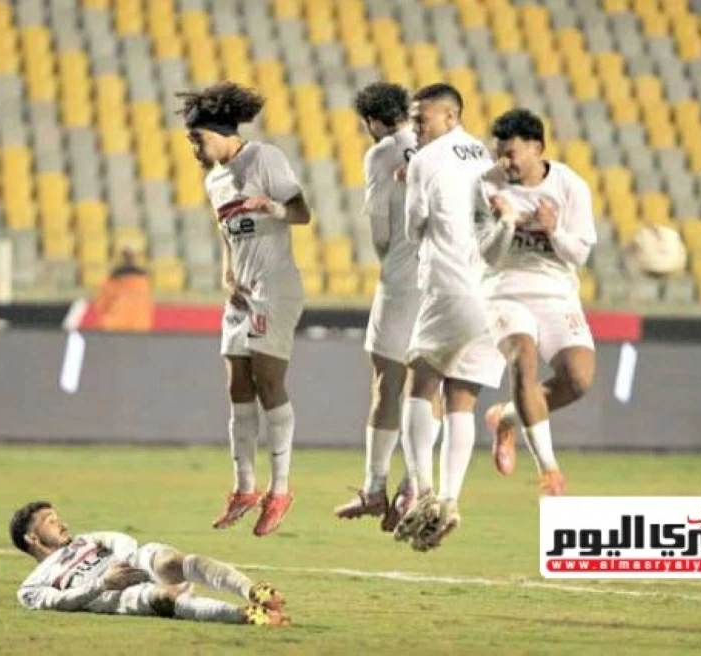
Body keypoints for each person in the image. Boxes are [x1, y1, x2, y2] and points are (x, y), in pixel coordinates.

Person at [180, 82, 311, 537]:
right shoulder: (213, 180)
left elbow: (302, 212)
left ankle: (280, 490)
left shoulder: (263, 159)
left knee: (268, 382)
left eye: (198, 138)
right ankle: (244, 488)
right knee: (237, 384)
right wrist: (227, 276)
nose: (194, 148)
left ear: (220, 132)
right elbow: (227, 235)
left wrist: (271, 205)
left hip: (276, 287)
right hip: (242, 292)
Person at [392, 84, 505, 553]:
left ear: (451, 116)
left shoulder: (426, 159)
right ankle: (451, 499)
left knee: (419, 382)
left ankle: (421, 491)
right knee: (462, 399)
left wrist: (409, 181)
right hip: (494, 293)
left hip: (450, 285)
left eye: (423, 119)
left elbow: (413, 227)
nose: (415, 127)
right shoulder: (486, 156)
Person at [333, 82, 441, 531]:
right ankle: (415, 485)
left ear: (373, 121)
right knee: (429, 386)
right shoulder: (443, 148)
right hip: (445, 280)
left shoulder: (382, 152)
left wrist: (391, 259)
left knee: (387, 380)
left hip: (402, 278)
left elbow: (380, 226)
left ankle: (375, 488)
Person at [475, 109, 598, 496]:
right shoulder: (486, 185)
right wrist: (506, 223)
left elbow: (580, 254)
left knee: (577, 381)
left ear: (537, 148)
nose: (504, 163)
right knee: (523, 360)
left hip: (556, 292)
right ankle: (550, 471)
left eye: (511, 154)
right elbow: (488, 255)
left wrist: (554, 230)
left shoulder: (571, 186)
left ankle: (507, 417)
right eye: (499, 154)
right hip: (505, 290)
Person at [10, 501, 288, 626]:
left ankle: (255, 590)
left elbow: (119, 538)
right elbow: (58, 602)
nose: (63, 524)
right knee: (164, 598)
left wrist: (124, 563)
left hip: (134, 564)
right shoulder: (30, 587)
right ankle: (248, 616)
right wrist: (103, 583)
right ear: (32, 538)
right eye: (51, 521)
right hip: (113, 594)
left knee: (171, 562)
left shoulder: (83, 540)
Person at [91, 247, 154, 332]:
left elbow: (101, 307)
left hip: (114, 328)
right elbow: (149, 308)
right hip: (140, 327)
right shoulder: (144, 282)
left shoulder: (109, 282)